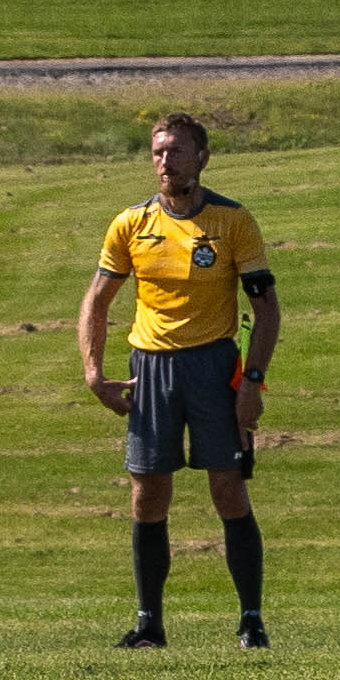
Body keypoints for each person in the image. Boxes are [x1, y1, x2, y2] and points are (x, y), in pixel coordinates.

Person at [79, 109, 282, 649]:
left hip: (213, 366)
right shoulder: (131, 224)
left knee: (228, 489)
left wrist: (252, 382)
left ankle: (251, 621)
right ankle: (149, 624)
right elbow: (97, 301)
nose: (165, 162)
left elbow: (266, 310)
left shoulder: (233, 222)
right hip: (150, 369)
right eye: (158, 152)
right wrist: (95, 375)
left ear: (202, 158)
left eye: (175, 151)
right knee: (147, 494)